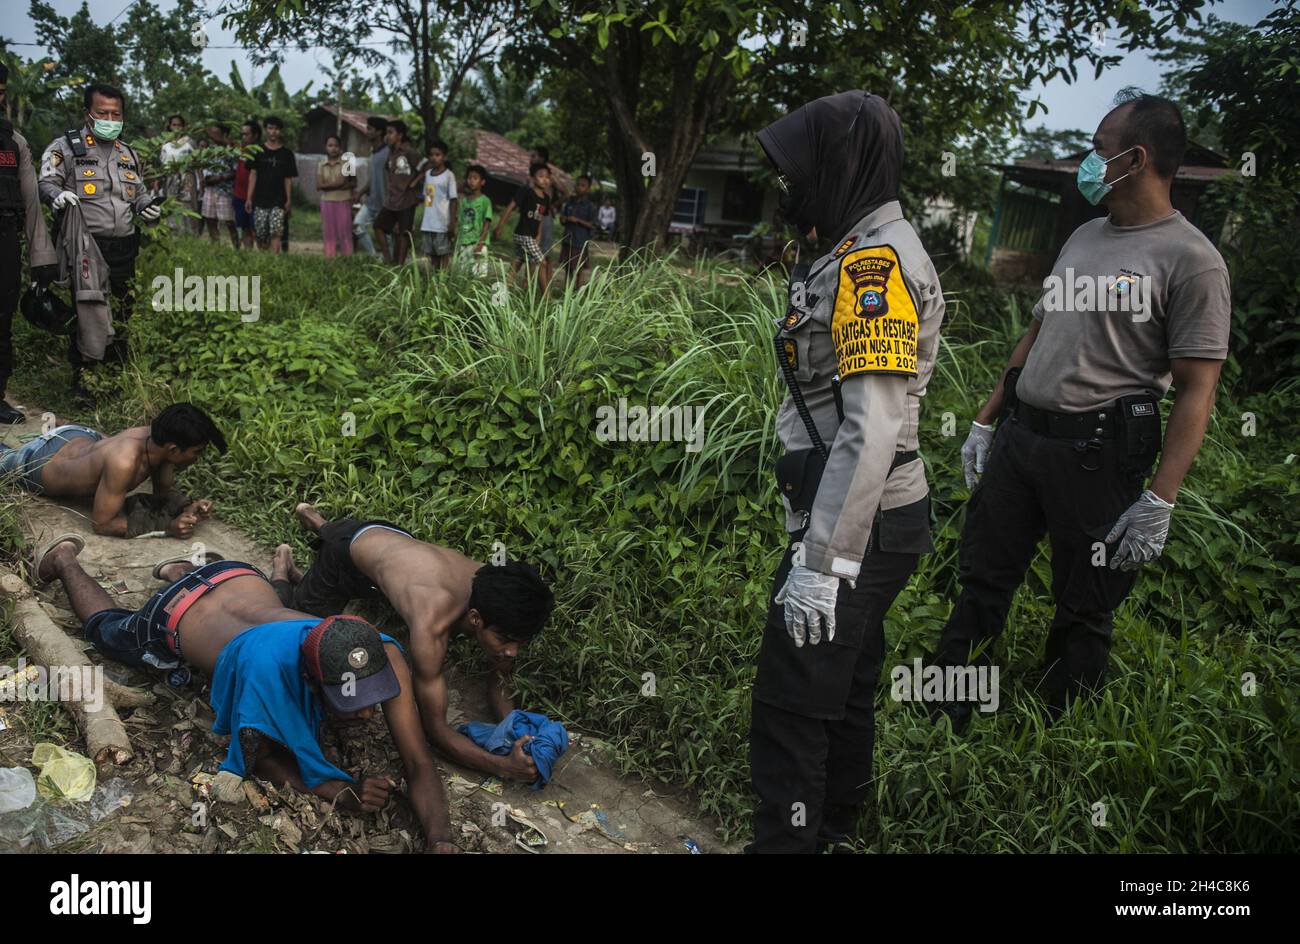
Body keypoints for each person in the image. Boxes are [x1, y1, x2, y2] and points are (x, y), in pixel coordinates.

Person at [930, 89, 1231, 725]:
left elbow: (1196, 389)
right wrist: (987, 418)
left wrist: (1159, 500)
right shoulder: (1085, 236)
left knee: (1084, 602)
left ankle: (1056, 729)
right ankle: (947, 703)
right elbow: (1038, 332)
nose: (1088, 165)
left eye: (1099, 151)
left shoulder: (1193, 261)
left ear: (1136, 158)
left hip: (1096, 454)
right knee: (984, 576)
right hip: (1021, 441)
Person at [747, 90, 945, 853]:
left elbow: (872, 425)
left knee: (793, 702)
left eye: (802, 170)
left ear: (840, 163)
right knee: (846, 686)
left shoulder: (873, 267)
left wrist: (823, 563)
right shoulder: (855, 246)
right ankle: (832, 834)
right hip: (871, 517)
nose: (791, 186)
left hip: (857, 524)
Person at [31, 540, 457, 852]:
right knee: (108, 631)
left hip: (235, 574)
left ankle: (182, 570)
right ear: (309, 678)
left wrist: (441, 840)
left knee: (271, 607)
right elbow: (260, 758)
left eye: (371, 695)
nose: (368, 714)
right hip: (171, 613)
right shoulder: (266, 675)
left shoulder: (381, 652)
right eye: (351, 699)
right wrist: (335, 791)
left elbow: (418, 760)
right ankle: (65, 560)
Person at [269, 504, 555, 781]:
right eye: (505, 641)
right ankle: (283, 570)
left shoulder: (496, 586)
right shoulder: (431, 625)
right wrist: (502, 766)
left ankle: (312, 519)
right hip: (344, 558)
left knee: (349, 540)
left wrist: (515, 729)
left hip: (390, 538)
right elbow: (436, 731)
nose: (511, 652)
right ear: (476, 618)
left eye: (520, 642)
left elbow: (501, 674)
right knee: (292, 624)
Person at [39, 83, 162, 393]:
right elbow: (46, 182)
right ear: (87, 114)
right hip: (86, 247)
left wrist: (148, 209)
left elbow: (139, 195)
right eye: (102, 112)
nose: (110, 118)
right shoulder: (64, 148)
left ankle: (115, 379)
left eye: (116, 113)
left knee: (122, 311)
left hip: (124, 247)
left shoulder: (127, 153)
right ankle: (85, 385)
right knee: (89, 311)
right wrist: (58, 195)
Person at [0, 403, 222, 538]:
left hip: (80, 437)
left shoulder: (158, 442)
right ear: (174, 449)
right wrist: (167, 527)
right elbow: (103, 524)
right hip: (39, 462)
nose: (197, 458)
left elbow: (164, 493)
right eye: (197, 452)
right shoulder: (124, 462)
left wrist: (187, 506)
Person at [0, 62, 58, 425]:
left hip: (5, 239)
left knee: (1, 323)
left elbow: (32, 203)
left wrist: (42, 257)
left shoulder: (13, 141)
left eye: (1, 91)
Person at [494, 160, 552, 289]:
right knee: (542, 262)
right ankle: (547, 299)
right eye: (541, 176)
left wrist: (539, 234)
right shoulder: (526, 191)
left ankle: (503, 295)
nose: (545, 180)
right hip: (523, 234)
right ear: (532, 178)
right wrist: (500, 225)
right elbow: (511, 206)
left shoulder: (546, 198)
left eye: (547, 177)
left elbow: (540, 218)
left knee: (517, 262)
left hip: (531, 236)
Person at [245, 115, 296, 253]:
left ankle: (275, 259)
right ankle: (264, 257)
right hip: (260, 198)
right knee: (261, 232)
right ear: (266, 130)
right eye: (270, 128)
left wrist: (289, 199)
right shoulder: (257, 151)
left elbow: (288, 178)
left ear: (280, 131)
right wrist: (249, 198)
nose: (273, 132)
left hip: (279, 199)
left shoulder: (287, 154)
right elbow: (253, 174)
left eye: (277, 129)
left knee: (276, 229)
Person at [375, 120, 422, 265]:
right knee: (378, 226)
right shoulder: (391, 153)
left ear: (400, 135)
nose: (387, 136)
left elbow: (426, 166)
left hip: (407, 200)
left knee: (404, 233)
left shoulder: (408, 151)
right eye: (386, 133)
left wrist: (414, 183)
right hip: (392, 200)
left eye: (391, 133)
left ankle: (400, 265)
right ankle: (388, 259)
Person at [351, 116, 388, 257]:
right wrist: (360, 192)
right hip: (371, 201)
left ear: (379, 132)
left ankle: (390, 262)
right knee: (358, 225)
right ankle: (374, 257)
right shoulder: (373, 153)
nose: (367, 131)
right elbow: (372, 179)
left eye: (370, 129)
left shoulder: (388, 153)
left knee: (386, 235)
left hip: (385, 202)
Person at [158, 114, 200, 235]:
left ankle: (190, 235)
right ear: (170, 126)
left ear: (183, 127)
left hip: (187, 178)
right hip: (170, 179)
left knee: (187, 206)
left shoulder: (190, 142)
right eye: (174, 125)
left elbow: (197, 163)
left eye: (179, 125)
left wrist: (200, 181)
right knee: (171, 205)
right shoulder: (165, 145)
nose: (176, 127)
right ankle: (174, 234)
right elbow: (162, 164)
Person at [418, 139, 456, 270]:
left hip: (442, 222)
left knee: (443, 253)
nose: (434, 158)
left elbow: (453, 200)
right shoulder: (428, 174)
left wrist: (452, 223)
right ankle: (434, 279)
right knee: (432, 254)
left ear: (444, 157)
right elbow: (428, 197)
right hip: (429, 222)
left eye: (437, 155)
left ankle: (443, 280)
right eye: (431, 155)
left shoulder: (449, 176)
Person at [200, 123, 239, 249]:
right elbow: (203, 168)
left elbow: (235, 171)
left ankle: (236, 247)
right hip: (210, 189)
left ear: (224, 135)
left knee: (229, 221)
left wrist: (220, 178)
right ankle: (216, 247)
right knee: (210, 219)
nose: (212, 136)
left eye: (215, 133)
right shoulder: (209, 150)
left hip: (225, 191)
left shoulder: (231, 151)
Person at [316, 135, 353, 258]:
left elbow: (344, 181)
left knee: (344, 232)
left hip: (343, 200)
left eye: (336, 145)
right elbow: (318, 184)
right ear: (325, 147)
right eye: (330, 145)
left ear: (340, 147)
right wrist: (337, 184)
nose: (333, 148)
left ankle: (347, 260)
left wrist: (325, 185)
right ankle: (329, 260)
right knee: (328, 233)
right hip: (326, 201)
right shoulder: (321, 164)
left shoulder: (347, 164)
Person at [557, 174, 597, 288]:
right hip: (568, 239)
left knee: (579, 268)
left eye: (583, 185)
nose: (579, 187)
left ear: (588, 189)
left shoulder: (590, 206)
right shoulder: (570, 202)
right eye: (577, 185)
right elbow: (562, 219)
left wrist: (578, 220)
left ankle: (578, 290)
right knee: (568, 267)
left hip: (580, 241)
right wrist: (564, 219)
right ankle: (567, 290)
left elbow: (593, 225)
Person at [454, 164, 493, 275]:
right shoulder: (464, 201)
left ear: (482, 182)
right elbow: (460, 221)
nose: (471, 181)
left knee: (478, 276)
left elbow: (487, 224)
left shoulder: (485, 201)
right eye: (469, 178)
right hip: (463, 243)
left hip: (477, 244)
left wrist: (480, 244)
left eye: (475, 178)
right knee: (462, 274)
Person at [231, 120, 259, 249]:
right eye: (242, 134)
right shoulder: (239, 149)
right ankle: (248, 255)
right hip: (238, 196)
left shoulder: (260, 152)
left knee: (257, 229)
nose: (243, 137)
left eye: (246, 134)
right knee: (244, 227)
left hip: (256, 198)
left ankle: (262, 257)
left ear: (255, 135)